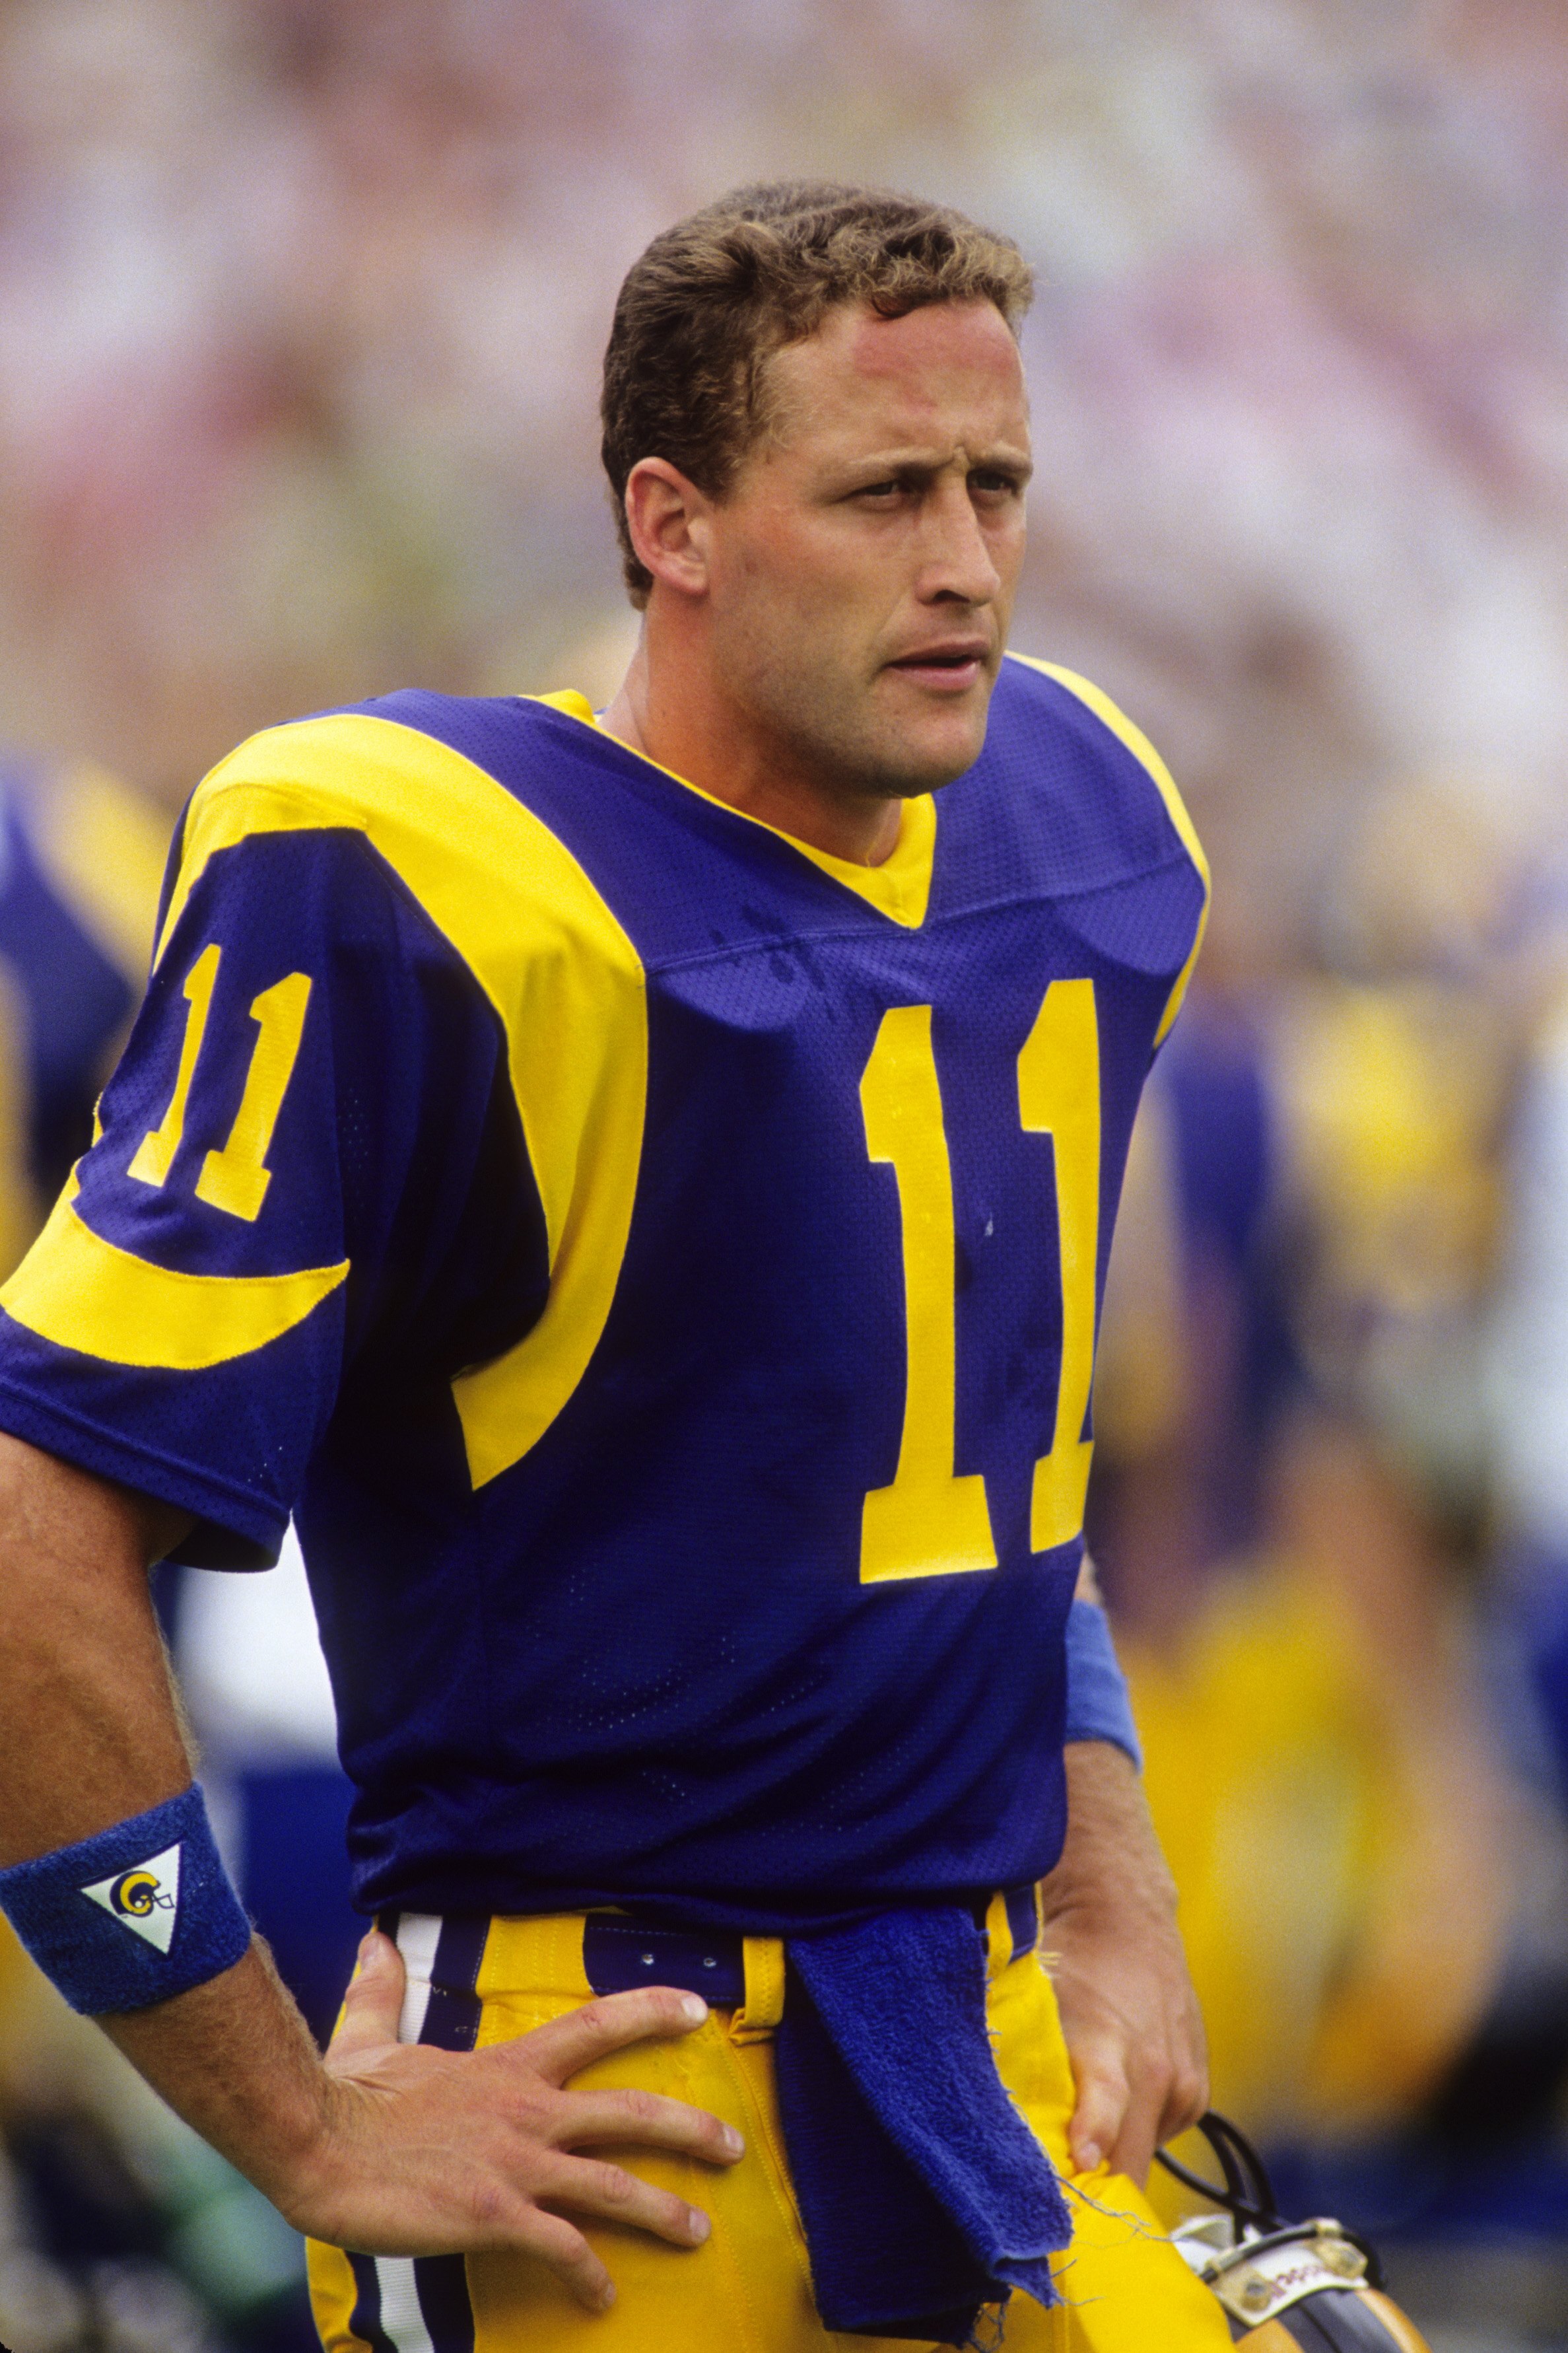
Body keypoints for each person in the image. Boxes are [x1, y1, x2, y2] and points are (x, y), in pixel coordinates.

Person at [0, 183, 1227, 2352]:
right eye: (883, 492)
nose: (966, 560)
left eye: (997, 486)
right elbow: (30, 1546)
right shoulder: (416, 877)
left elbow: (988, 1460)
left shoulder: (1077, 815)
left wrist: (1113, 1884)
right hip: (606, 2090)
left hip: (982, 2051)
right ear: (671, 521)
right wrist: (287, 2119)